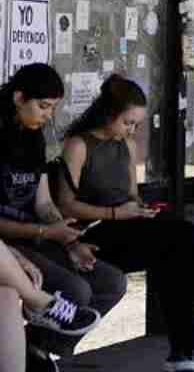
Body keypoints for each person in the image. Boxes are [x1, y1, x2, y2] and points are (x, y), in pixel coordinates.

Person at [57, 76, 194, 372]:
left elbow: (130, 195)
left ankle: (183, 353)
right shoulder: (79, 145)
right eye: (127, 122)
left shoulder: (125, 145)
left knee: (172, 249)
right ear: (108, 113)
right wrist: (116, 214)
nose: (131, 130)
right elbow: (66, 205)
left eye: (136, 125)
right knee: (181, 236)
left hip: (126, 226)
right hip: (90, 233)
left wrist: (141, 210)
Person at [0, 63, 125, 367]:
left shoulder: (33, 136)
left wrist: (68, 239)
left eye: (52, 108)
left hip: (35, 235)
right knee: (76, 290)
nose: (47, 115)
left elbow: (42, 202)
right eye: (42, 106)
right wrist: (44, 235)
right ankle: (37, 339)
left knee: (111, 282)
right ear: (18, 98)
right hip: (12, 240)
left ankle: (37, 348)